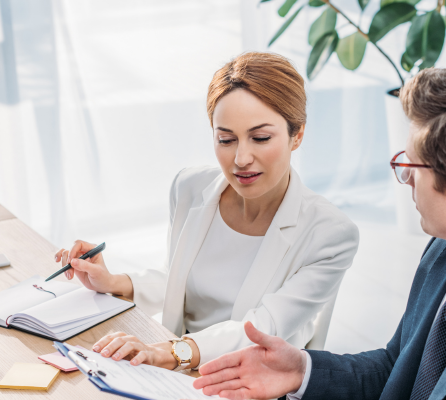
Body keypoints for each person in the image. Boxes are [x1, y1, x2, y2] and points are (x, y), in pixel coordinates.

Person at [192, 67, 446, 400]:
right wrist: (303, 370)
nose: (404, 180)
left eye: (411, 167)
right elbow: (398, 368)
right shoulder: (445, 253)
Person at [55, 52, 360, 370]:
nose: (241, 158)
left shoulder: (331, 233)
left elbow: (263, 328)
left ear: (297, 135)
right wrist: (115, 282)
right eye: (226, 139)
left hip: (250, 381)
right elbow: (182, 282)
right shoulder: (189, 187)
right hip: (175, 368)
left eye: (260, 138)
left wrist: (172, 352)